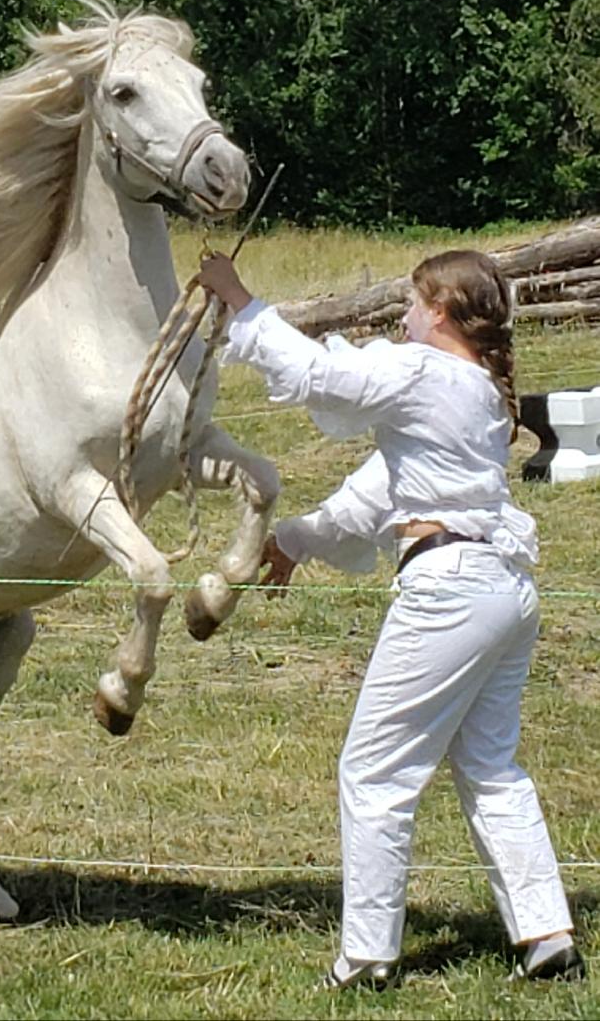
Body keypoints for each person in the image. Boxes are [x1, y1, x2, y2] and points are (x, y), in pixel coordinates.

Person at [198, 248, 585, 989]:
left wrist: (240, 300)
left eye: (413, 303)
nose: (403, 317)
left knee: (375, 771)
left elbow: (320, 374)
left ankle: (369, 955)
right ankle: (546, 935)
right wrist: (294, 541)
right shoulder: (470, 390)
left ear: (439, 310)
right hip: (503, 592)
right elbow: (382, 489)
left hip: (451, 593)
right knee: (490, 768)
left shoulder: (425, 372)